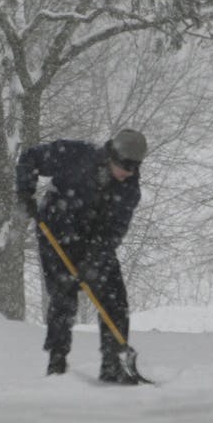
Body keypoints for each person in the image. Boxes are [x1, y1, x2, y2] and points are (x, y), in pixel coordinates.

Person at [15, 128, 147, 384]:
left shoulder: (130, 190)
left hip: (95, 244)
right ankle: (57, 363)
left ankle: (114, 365)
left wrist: (93, 262)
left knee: (115, 299)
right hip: (56, 234)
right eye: (124, 165)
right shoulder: (75, 154)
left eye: (134, 168)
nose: (127, 173)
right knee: (63, 297)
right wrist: (24, 192)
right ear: (111, 154)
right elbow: (30, 158)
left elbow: (114, 233)